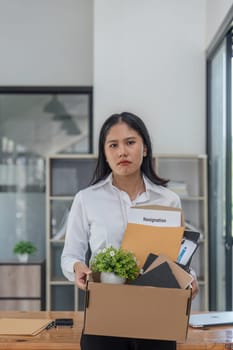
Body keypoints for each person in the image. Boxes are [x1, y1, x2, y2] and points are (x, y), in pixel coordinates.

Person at [61, 111, 199, 350]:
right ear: (105, 153)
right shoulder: (87, 199)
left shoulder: (169, 200)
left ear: (144, 148)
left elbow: (179, 258)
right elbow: (70, 254)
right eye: (113, 145)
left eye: (130, 143)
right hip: (104, 317)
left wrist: (190, 279)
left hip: (157, 316)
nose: (122, 152)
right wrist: (77, 268)